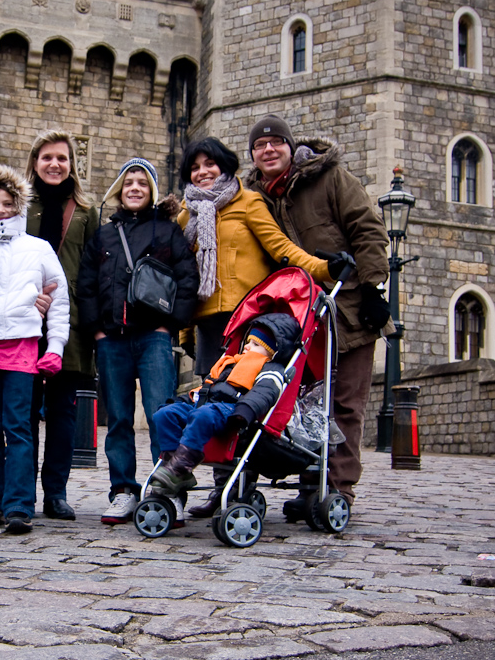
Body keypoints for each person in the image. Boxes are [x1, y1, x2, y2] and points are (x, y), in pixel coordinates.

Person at [177, 137, 350, 518]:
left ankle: (244, 481)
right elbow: (184, 277)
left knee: (244, 405)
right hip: (208, 323)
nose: (203, 172)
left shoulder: (248, 202)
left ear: (226, 167)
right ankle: (225, 485)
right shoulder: (187, 216)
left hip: (248, 319)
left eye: (211, 164)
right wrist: (184, 332)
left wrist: (322, 269)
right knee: (214, 404)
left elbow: (281, 248)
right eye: (195, 166)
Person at [244, 113, 393, 515]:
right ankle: (311, 482)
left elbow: (367, 229)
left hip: (352, 310)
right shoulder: (255, 198)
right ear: (253, 155)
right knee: (305, 404)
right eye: (260, 145)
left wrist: (376, 289)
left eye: (276, 143)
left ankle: (338, 489)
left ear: (291, 148)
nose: (269, 149)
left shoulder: (331, 179)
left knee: (345, 404)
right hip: (301, 319)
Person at [78, 158, 199, 525]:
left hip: (153, 339)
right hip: (112, 339)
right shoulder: (104, 235)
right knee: (117, 420)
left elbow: (187, 280)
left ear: (151, 191)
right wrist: (97, 329)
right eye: (128, 182)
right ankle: (124, 491)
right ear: (119, 189)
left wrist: (169, 326)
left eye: (142, 183)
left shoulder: (167, 231)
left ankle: (168, 491)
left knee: (163, 416)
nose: (134, 188)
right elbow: (86, 285)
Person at [0, 165, 69, 535]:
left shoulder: (39, 248)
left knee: (18, 428)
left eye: (8, 204)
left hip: (23, 351)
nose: (2, 211)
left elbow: (58, 299)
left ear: (19, 205)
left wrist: (55, 346)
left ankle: (19, 504)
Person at [24, 131, 99, 521]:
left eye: (63, 158)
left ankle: (55, 492)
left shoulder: (85, 210)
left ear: (72, 164)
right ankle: (20, 491)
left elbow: (92, 270)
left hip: (68, 327)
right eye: (48, 157)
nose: (55, 165)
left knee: (63, 415)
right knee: (22, 413)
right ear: (35, 162)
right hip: (22, 322)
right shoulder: (19, 205)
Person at [150, 315, 298, 495]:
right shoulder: (230, 364)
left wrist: (246, 410)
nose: (247, 346)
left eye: (256, 345)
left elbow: (264, 393)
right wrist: (184, 401)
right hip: (207, 404)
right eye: (248, 341)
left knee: (202, 415)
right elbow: (205, 387)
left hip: (231, 408)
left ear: (272, 352)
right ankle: (173, 465)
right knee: (164, 414)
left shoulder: (270, 369)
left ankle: (180, 467)